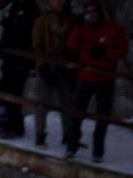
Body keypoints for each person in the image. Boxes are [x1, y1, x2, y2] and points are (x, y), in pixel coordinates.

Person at [65, 0, 128, 162]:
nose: (91, 15)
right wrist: (77, 28)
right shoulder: (83, 28)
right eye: (88, 12)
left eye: (94, 12)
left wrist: (106, 53)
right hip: (85, 78)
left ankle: (97, 152)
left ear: (100, 13)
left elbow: (123, 50)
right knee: (77, 114)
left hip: (105, 79)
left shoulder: (113, 28)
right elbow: (71, 46)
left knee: (102, 118)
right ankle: (71, 146)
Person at [32, 0, 78, 148]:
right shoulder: (42, 20)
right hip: (47, 66)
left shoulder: (71, 19)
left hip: (65, 68)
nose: (58, 2)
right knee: (43, 102)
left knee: (67, 103)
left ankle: (68, 135)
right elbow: (36, 45)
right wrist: (42, 65)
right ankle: (40, 134)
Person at [0, 0, 41, 139]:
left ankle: (15, 126)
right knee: (8, 91)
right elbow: (10, 27)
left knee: (13, 92)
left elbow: (20, 33)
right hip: (10, 57)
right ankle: (9, 123)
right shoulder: (16, 6)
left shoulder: (30, 9)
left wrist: (3, 44)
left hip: (20, 59)